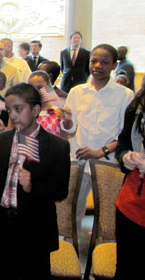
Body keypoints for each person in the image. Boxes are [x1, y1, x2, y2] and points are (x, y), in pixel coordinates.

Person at [0, 83, 70, 279]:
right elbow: (1, 177)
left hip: (34, 229)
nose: (12, 115)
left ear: (36, 109)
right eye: (9, 110)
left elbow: (60, 190)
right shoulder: (1, 141)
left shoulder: (57, 147)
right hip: (2, 225)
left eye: (18, 109)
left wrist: (32, 186)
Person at [59, 44, 134, 233]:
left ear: (114, 65)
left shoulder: (124, 95)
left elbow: (125, 135)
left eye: (104, 62)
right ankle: (71, 252)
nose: (98, 65)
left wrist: (101, 151)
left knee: (108, 215)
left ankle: (104, 252)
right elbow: (70, 129)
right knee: (72, 212)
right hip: (79, 160)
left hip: (109, 163)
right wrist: (67, 121)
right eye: (94, 61)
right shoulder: (77, 92)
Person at [114, 81, 145, 279]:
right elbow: (123, 142)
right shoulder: (136, 107)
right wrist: (125, 156)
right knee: (126, 268)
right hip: (131, 204)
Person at [28, 71, 64, 138]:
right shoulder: (24, 113)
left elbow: (65, 138)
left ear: (48, 86)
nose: (36, 91)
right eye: (32, 88)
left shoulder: (58, 113)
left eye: (39, 87)